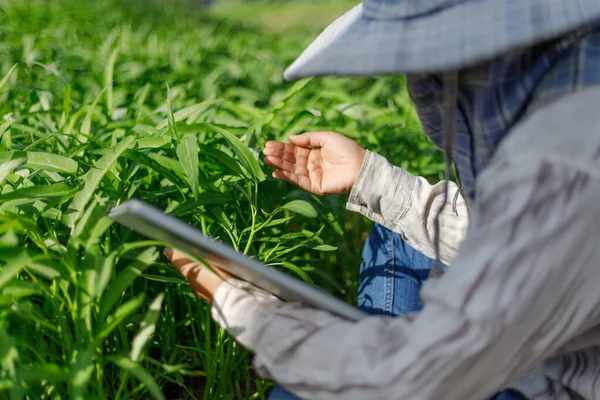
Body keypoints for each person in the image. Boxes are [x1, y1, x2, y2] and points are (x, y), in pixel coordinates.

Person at [165, 0, 600, 398]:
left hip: (560, 381)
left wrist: (249, 312)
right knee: (400, 237)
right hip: (549, 336)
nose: (422, 89)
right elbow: (515, 238)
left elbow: (419, 376)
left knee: (300, 392)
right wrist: (371, 180)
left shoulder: (565, 160)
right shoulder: (572, 92)